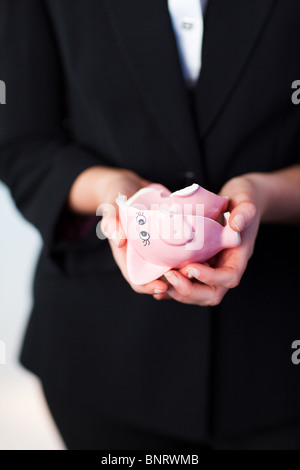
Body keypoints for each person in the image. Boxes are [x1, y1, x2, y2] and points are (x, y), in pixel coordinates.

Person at [0, 0, 300, 450]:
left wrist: (264, 194)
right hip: (103, 362)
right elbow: (23, 144)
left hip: (278, 360)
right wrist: (111, 193)